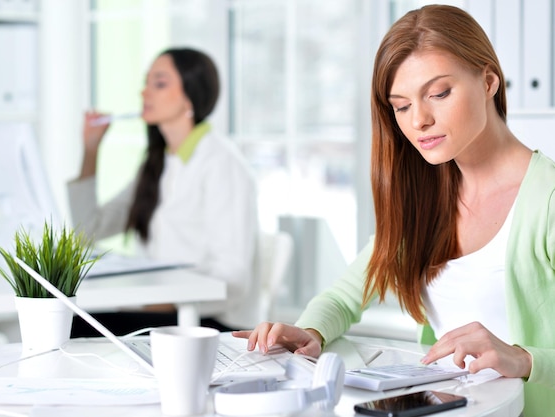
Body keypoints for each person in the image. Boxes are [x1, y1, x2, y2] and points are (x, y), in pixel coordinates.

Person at [234, 5, 555, 415]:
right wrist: (309, 330)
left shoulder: (546, 201)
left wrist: (524, 359)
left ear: (489, 80)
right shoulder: (426, 200)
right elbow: (345, 296)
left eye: (439, 93)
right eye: (401, 106)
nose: (419, 120)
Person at [68, 47, 259, 335]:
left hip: (207, 322)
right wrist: (91, 149)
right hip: (162, 312)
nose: (145, 92)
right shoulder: (158, 163)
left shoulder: (222, 164)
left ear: (190, 96)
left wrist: (154, 303)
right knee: (67, 319)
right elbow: (88, 230)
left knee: (75, 326)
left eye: (159, 83)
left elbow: (233, 278)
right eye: (146, 83)